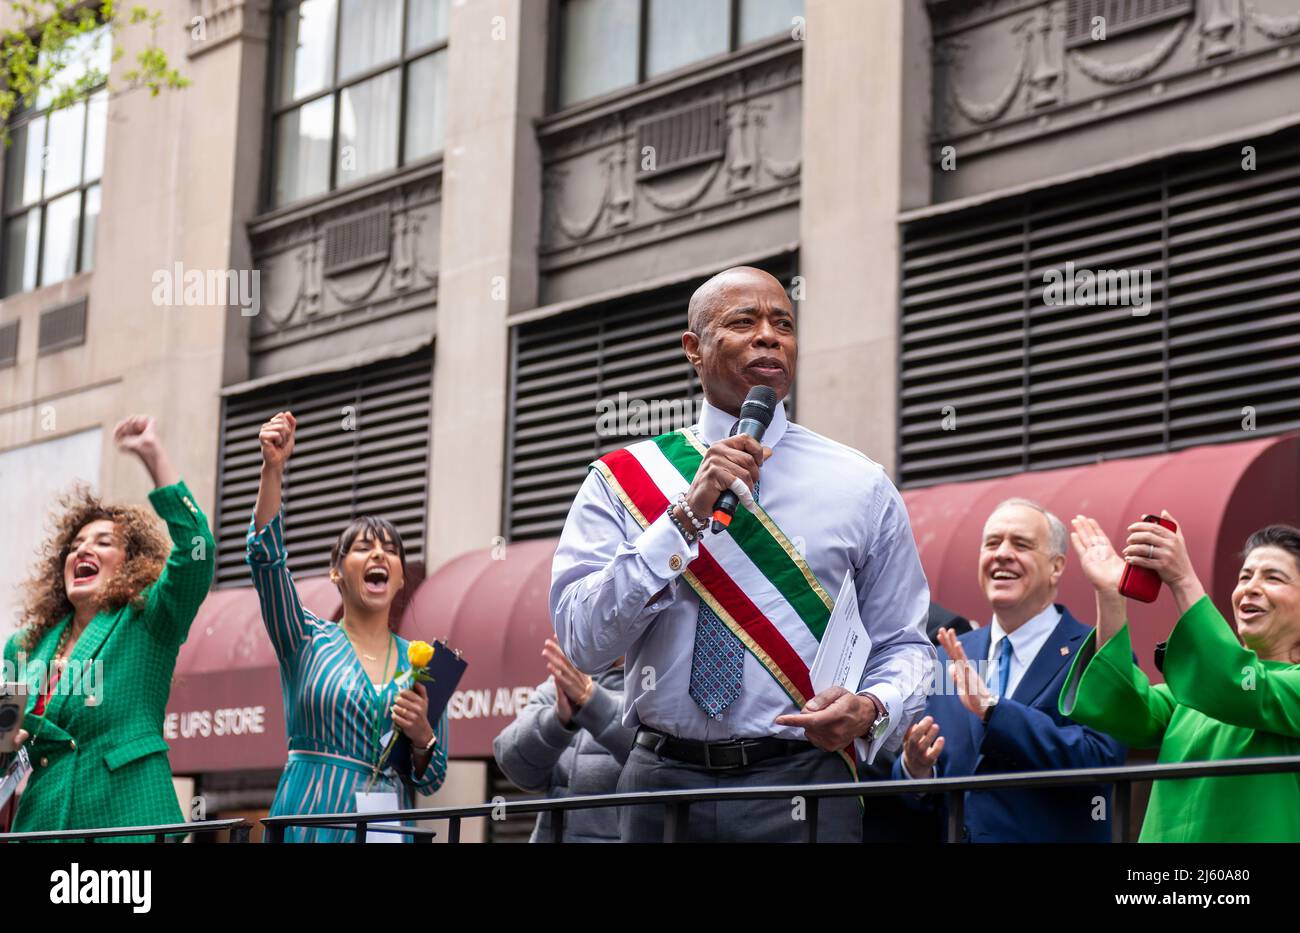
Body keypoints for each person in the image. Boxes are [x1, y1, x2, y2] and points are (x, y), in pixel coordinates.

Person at [551, 266, 933, 843]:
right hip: (661, 785)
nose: (769, 335)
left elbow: (904, 643)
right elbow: (583, 639)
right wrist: (682, 518)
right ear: (693, 349)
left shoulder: (861, 484)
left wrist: (874, 707)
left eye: (783, 323)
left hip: (804, 782)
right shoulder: (622, 480)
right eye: (743, 322)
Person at [3, 416, 214, 841]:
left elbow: (197, 551)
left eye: (102, 542)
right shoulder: (24, 646)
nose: (83, 549)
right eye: (76, 545)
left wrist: (154, 456)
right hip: (43, 826)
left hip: (128, 821)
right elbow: (2, 746)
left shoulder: (150, 619)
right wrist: (8, 742)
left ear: (130, 562)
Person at [247, 411, 448, 842]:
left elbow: (432, 780)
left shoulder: (422, 662)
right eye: (362, 548)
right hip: (310, 816)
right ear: (336, 572)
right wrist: (272, 469)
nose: (379, 555)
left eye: (390, 550)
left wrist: (422, 737)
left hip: (388, 828)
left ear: (399, 576)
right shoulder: (304, 638)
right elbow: (266, 561)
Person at [893, 499, 1125, 842]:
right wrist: (914, 769)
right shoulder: (950, 657)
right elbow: (930, 785)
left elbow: (1101, 760)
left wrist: (994, 710)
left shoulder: (1094, 652)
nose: (1001, 554)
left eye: (1021, 544)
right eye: (992, 543)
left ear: (1056, 567)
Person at [1061, 514, 1300, 842]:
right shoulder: (1193, 693)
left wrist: (1184, 579)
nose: (1250, 588)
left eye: (1273, 578)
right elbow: (1123, 708)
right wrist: (1111, 597)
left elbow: (1239, 686)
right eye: (1245, 577)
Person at [493, 639, 634, 842]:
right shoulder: (573, 673)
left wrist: (593, 703)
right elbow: (514, 764)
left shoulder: (662, 675)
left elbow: (663, 755)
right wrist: (557, 721)